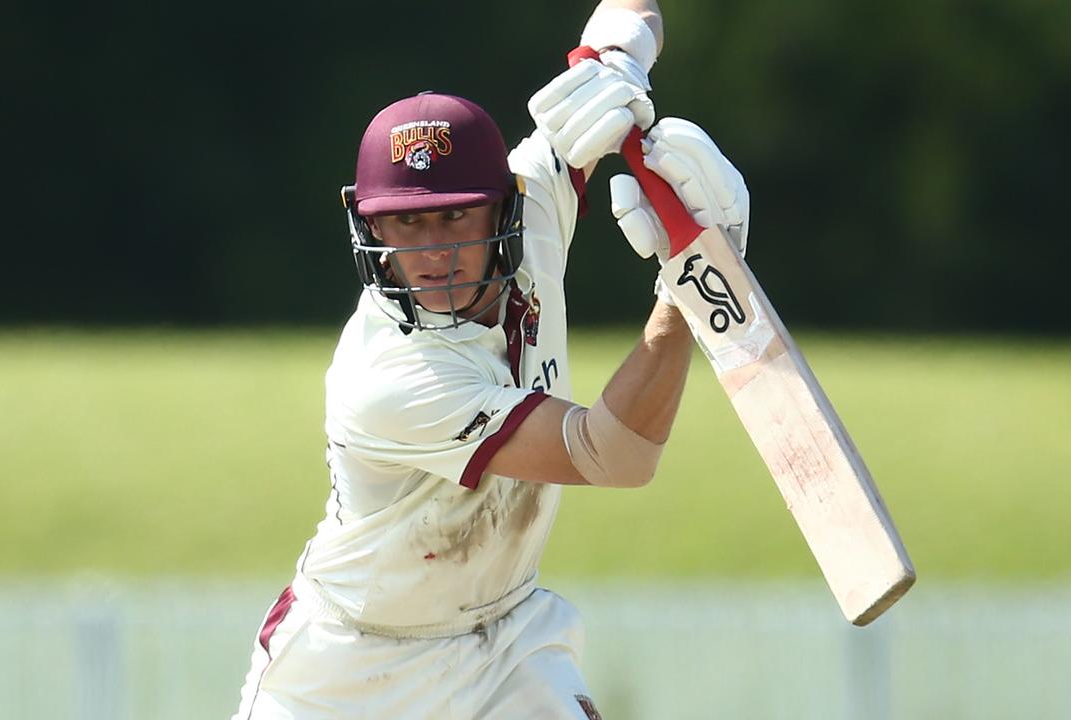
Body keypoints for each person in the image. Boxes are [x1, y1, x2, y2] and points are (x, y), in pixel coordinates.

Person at [233, 1, 749, 717]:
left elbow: (634, 10)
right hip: (350, 673)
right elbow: (615, 456)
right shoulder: (389, 377)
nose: (435, 249)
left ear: (504, 208)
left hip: (506, 639)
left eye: (456, 214)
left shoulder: (534, 202)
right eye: (407, 221)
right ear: (369, 225)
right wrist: (696, 279)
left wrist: (620, 61)